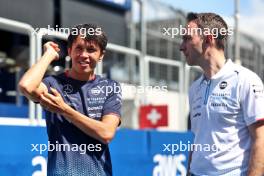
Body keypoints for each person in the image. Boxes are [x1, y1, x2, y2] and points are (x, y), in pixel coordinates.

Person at [19, 24, 122, 176]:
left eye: (91, 50)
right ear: (69, 51)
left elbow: (106, 133)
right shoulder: (52, 84)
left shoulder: (110, 87)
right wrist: (49, 55)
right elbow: (26, 86)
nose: (84, 55)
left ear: (101, 55)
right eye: (79, 48)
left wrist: (64, 110)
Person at [180, 12, 264, 176]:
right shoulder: (194, 88)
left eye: (187, 38)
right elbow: (197, 139)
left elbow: (261, 139)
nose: (181, 46)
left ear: (208, 39)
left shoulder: (245, 80)